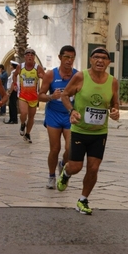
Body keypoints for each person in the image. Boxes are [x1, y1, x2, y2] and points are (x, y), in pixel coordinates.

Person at [57, 47, 119, 215]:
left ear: (108, 62)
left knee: (93, 168)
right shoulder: (80, 77)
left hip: (99, 133)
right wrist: (72, 111)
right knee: (76, 167)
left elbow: (115, 104)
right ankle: (66, 172)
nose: (100, 60)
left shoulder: (112, 81)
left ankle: (83, 199)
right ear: (91, 60)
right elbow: (64, 95)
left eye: (104, 58)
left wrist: (115, 112)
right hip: (79, 130)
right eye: (96, 57)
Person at [38, 45, 78, 189]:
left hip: (69, 114)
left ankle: (62, 164)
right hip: (53, 114)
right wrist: (51, 96)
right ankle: (51, 176)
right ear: (60, 57)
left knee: (70, 149)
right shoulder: (51, 74)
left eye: (72, 57)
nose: (69, 60)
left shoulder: (77, 75)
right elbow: (40, 96)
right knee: (55, 148)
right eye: (66, 57)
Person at [11, 48, 45, 143]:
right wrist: (15, 84)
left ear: (34, 57)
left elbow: (45, 78)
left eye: (32, 55)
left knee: (31, 117)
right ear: (25, 57)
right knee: (24, 113)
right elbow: (14, 75)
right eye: (28, 54)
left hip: (34, 97)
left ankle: (28, 134)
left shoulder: (37, 67)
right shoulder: (20, 67)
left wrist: (42, 78)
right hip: (23, 95)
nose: (30, 56)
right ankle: (22, 124)